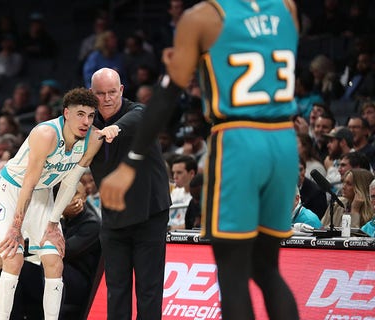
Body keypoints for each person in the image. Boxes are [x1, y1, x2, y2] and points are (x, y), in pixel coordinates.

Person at [99, 1, 301, 319]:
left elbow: (166, 96)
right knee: (267, 268)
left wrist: (130, 163)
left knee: (232, 275)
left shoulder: (201, 17)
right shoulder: (287, 7)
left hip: (239, 139)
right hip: (285, 139)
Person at [0, 88, 114, 320]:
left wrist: (53, 223)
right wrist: (16, 227)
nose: (86, 121)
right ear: (66, 113)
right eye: (80, 114)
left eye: (90, 115)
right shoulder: (46, 134)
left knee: (54, 260)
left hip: (42, 193)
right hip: (11, 190)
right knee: (13, 257)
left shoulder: (93, 138)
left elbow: (70, 182)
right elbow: (28, 182)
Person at [89, 67, 171, 319]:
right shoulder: (88, 123)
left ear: (121, 90)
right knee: (116, 289)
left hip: (149, 214)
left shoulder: (135, 112)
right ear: (92, 94)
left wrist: (115, 129)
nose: (107, 98)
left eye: (112, 92)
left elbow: (142, 117)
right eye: (100, 94)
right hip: (113, 219)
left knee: (148, 289)